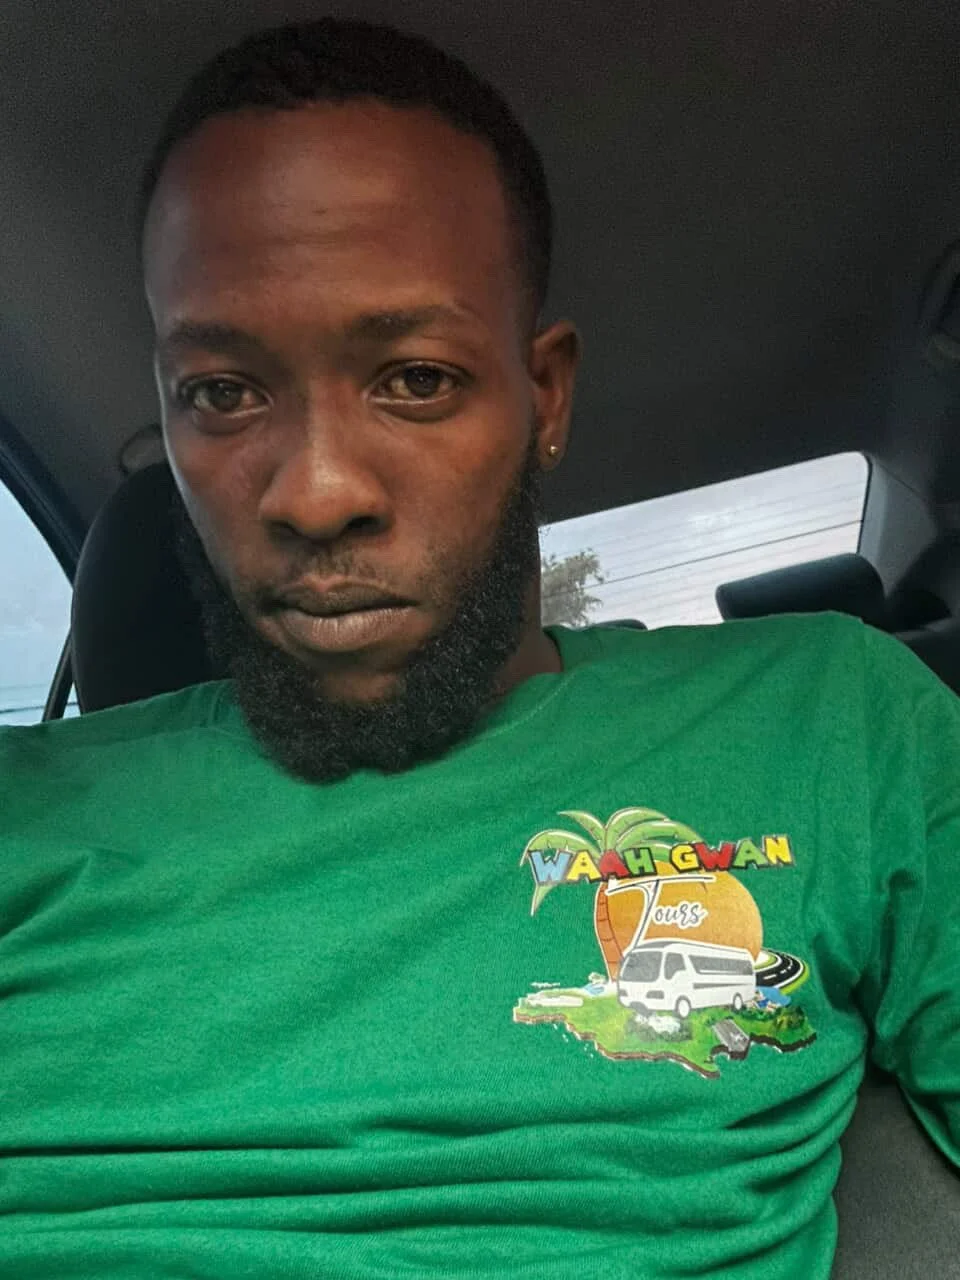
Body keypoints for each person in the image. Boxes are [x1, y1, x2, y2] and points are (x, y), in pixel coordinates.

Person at [1, 17, 958, 1280]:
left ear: (545, 396)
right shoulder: (26, 814)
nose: (318, 489)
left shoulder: (832, 720)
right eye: (224, 391)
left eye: (415, 377)